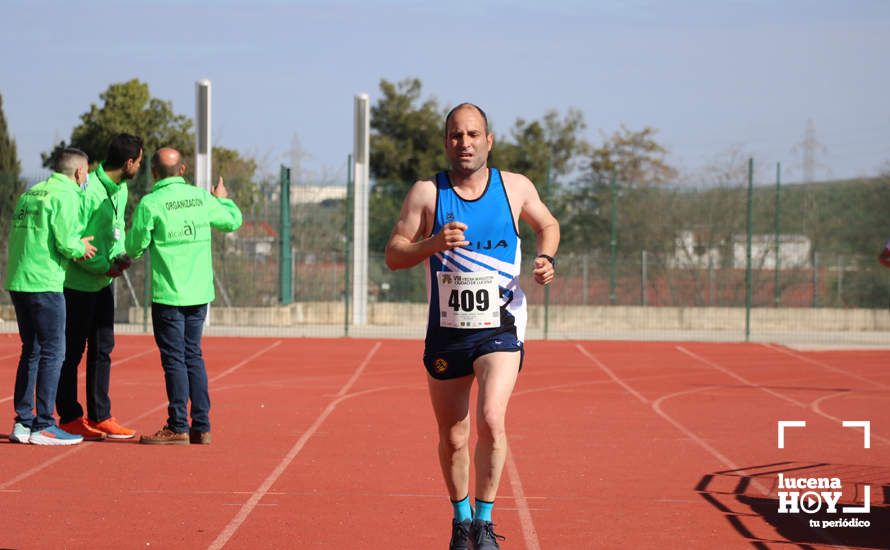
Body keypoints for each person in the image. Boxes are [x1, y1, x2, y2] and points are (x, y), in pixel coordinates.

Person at [384, 103, 559, 549]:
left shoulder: (515, 187)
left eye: (473, 134)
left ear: (489, 140)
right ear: (447, 142)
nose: (465, 143)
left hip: (500, 326)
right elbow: (394, 254)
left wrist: (546, 257)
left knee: (491, 419)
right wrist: (432, 242)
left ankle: (484, 524)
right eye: (456, 136)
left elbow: (548, 224)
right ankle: (461, 521)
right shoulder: (427, 193)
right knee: (454, 437)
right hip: (447, 331)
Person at [125, 147, 242, 445]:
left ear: (153, 172)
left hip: (168, 294)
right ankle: (201, 425)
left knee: (174, 359)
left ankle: (178, 424)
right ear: (183, 169)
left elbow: (135, 246)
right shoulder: (201, 198)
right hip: (199, 292)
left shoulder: (151, 203)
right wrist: (221, 197)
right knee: (194, 355)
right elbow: (232, 221)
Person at [6, 148, 98, 445]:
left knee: (30, 350)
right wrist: (80, 247)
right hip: (45, 282)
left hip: (19, 280)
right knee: (53, 351)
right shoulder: (67, 195)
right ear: (79, 172)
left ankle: (23, 422)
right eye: (86, 173)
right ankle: (44, 424)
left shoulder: (30, 194)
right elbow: (65, 241)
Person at [56, 133, 143, 441]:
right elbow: (74, 240)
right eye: (140, 161)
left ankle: (100, 415)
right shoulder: (88, 190)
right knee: (72, 351)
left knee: (103, 349)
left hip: (104, 281)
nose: (140, 167)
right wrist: (100, 266)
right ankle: (68, 415)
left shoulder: (120, 188)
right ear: (129, 162)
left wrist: (119, 256)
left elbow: (115, 230)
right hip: (79, 283)